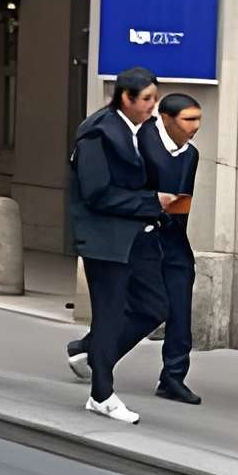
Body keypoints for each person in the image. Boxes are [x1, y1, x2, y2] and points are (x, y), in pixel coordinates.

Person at [66, 67, 179, 423]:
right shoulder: (98, 134)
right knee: (110, 315)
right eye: (147, 99)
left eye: (155, 99)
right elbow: (97, 194)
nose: (152, 106)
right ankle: (101, 394)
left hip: (138, 235)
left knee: (155, 306)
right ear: (125, 98)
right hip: (105, 240)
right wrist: (152, 202)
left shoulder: (141, 130)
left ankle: (90, 349)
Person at [137, 91, 202, 404]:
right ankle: (92, 348)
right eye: (189, 119)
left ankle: (173, 377)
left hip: (175, 240)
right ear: (167, 119)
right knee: (138, 308)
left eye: (198, 119)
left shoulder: (191, 155)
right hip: (143, 236)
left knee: (179, 309)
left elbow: (184, 198)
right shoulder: (141, 144)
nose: (196, 125)